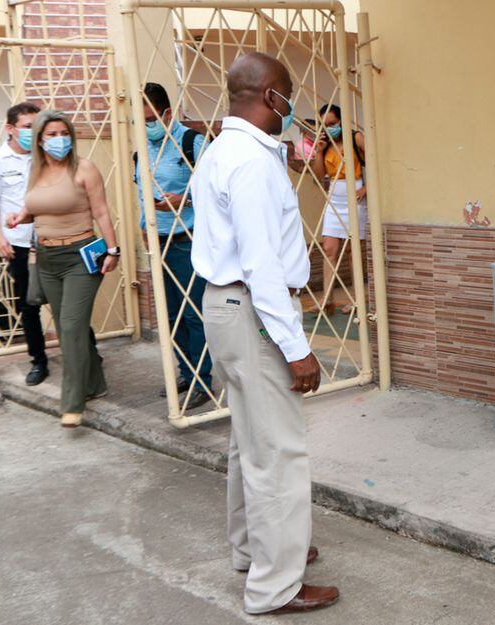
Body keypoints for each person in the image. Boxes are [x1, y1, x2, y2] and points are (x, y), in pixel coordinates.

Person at [190, 52, 336, 615]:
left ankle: (257, 551)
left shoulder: (223, 151)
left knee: (248, 443)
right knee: (278, 451)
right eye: (289, 94)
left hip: (228, 309)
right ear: (271, 96)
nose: (291, 104)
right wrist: (297, 349)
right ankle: (277, 584)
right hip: (252, 309)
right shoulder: (250, 162)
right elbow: (261, 265)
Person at [6, 110, 120, 428]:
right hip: (47, 258)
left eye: (64, 133)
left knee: (68, 327)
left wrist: (114, 250)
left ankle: (72, 401)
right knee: (74, 326)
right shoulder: (36, 171)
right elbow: (38, 208)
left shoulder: (84, 169)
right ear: (40, 140)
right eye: (52, 135)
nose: (60, 140)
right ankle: (96, 383)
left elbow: (101, 211)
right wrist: (20, 217)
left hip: (80, 257)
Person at [136, 82, 212, 409]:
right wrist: (143, 228)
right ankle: (185, 371)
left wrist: (186, 198)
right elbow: (143, 198)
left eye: (150, 119)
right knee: (170, 316)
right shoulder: (141, 151)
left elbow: (217, 191)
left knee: (194, 313)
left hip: (189, 241)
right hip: (158, 242)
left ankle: (202, 380)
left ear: (167, 113)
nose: (146, 127)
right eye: (141, 122)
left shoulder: (193, 144)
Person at [0, 102, 49, 385]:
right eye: (27, 127)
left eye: (37, 127)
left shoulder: (46, 157)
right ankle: (38, 361)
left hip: (52, 239)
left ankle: (87, 353)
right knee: (28, 304)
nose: (33, 133)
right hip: (19, 244)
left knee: (67, 302)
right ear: (10, 129)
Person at [291, 103, 366, 315]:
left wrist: (366, 189)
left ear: (341, 121)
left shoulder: (355, 138)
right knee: (329, 249)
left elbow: (377, 163)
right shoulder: (324, 143)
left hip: (356, 195)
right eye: (325, 125)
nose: (329, 128)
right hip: (335, 196)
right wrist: (320, 150)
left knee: (353, 252)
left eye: (333, 124)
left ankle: (357, 299)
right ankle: (327, 299)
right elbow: (318, 175)